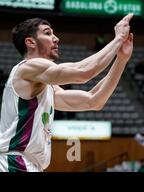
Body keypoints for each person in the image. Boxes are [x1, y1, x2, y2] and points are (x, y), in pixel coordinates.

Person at [0, 14, 134, 172]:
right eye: (48, 33)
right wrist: (118, 38)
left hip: (28, 164)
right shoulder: (27, 68)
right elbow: (83, 72)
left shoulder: (45, 86)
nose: (56, 38)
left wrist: (121, 60)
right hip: (14, 162)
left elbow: (94, 101)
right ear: (30, 42)